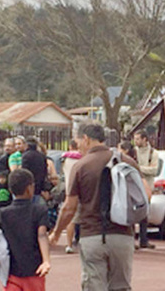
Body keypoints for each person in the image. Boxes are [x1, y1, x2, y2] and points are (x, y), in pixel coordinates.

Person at [50, 122, 139, 291]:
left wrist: (56, 232)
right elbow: (146, 195)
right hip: (123, 235)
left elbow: (69, 207)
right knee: (121, 286)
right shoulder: (127, 162)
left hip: (93, 234)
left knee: (94, 285)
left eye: (77, 141)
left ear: (86, 139)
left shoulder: (81, 166)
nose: (77, 146)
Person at [0, 168, 52, 291]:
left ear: (11, 190)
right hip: (34, 271)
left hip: (12, 273)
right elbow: (42, 235)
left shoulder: (2, 213)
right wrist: (46, 261)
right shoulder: (39, 210)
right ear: (30, 188)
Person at [133, 132, 158, 250]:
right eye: (135, 139)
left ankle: (144, 239)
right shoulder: (134, 151)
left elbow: (154, 170)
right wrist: (145, 169)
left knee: (144, 215)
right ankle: (132, 239)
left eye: (138, 139)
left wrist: (138, 168)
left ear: (145, 139)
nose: (136, 141)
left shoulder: (153, 153)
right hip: (134, 186)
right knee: (132, 213)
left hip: (146, 187)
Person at [60, 141, 83, 254]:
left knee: (71, 219)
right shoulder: (83, 159)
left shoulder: (64, 159)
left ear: (69, 146)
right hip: (82, 190)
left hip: (69, 190)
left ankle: (69, 245)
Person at [21, 137, 50, 205]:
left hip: (28, 187)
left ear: (27, 145)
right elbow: (45, 172)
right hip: (39, 187)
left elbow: (24, 172)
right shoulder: (42, 156)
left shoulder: (25, 155)